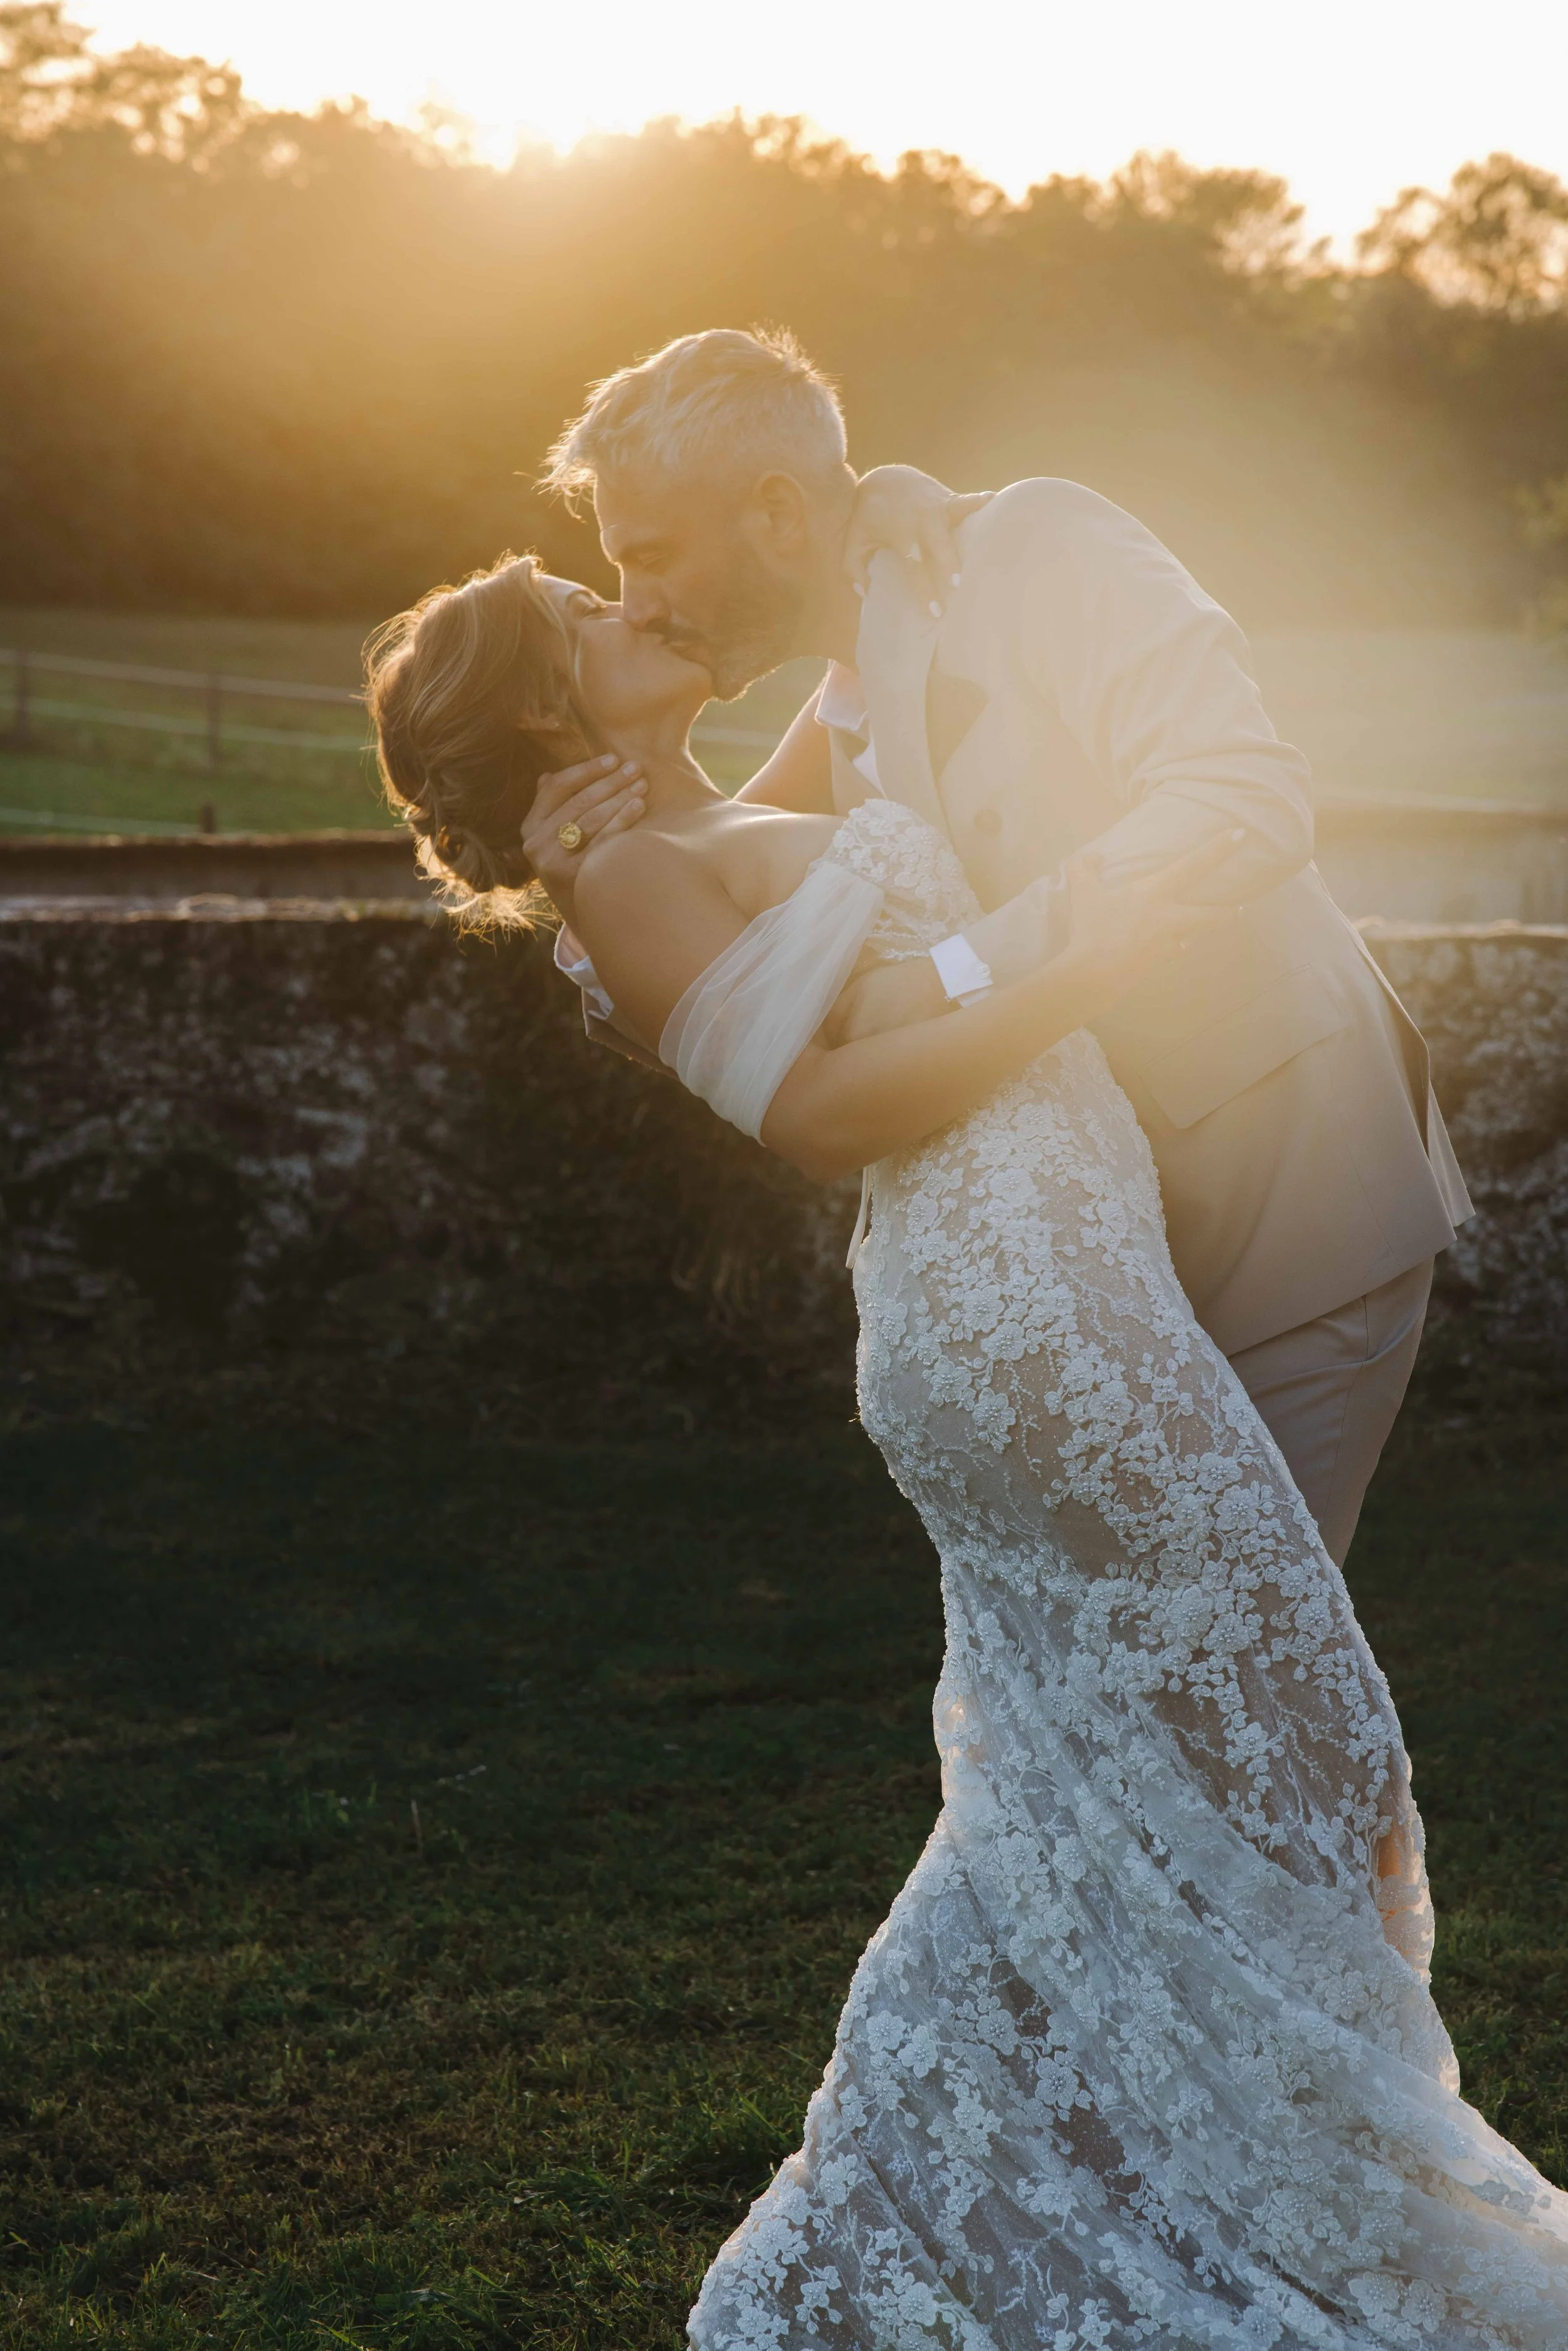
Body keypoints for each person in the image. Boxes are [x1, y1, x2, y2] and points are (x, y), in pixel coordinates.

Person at [366, 542, 1568, 2345]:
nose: (640, 605)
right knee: (1293, 1729)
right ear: (551, 705)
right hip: (1016, 1320)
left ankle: (1071, 2186)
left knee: (1112, 1765)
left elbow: (847, 710)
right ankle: (1198, 2191)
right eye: (596, 612)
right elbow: (826, 1113)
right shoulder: (619, 869)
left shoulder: (686, 815)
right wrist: (1084, 965)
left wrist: (875, 546)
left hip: (1068, 1275)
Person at [527, 327, 1473, 1573]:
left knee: (1245, 1671)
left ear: (771, 511)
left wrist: (959, 969)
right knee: (1141, 1697)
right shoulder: (844, 690)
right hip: (1088, 1264)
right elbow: (752, 995)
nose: (639, 601)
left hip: (1288, 1195)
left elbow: (1240, 796)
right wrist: (577, 892)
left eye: (648, 556)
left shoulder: (1033, 549)